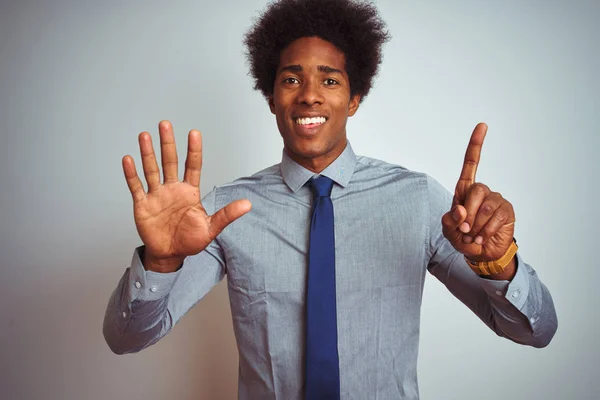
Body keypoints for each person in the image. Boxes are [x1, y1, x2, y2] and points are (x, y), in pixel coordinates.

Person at [103, 0, 558, 398]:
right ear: (271, 96)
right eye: (291, 79)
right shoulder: (227, 211)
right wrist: (160, 263)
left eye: (330, 81)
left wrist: (501, 265)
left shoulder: (419, 201)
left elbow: (533, 331)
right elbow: (125, 339)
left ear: (355, 97)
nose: (309, 96)